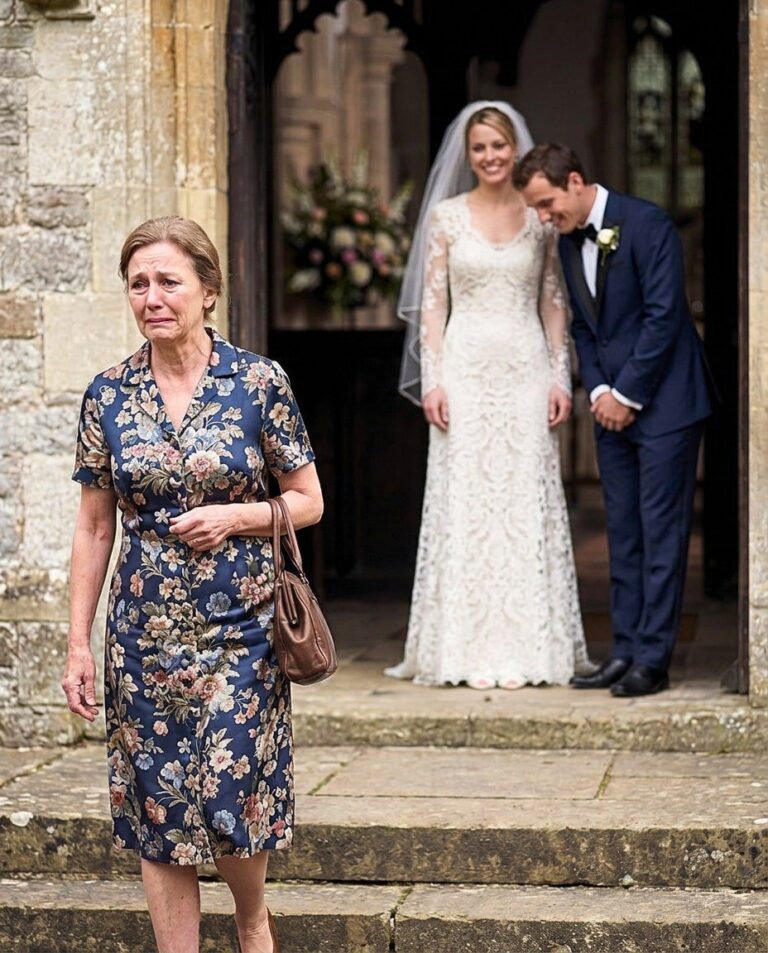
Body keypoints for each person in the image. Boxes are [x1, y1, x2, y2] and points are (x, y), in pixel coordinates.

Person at [61, 216, 323, 953]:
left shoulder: (260, 382)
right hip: (142, 636)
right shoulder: (108, 395)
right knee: (159, 807)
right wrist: (77, 641)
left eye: (168, 281)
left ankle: (250, 917)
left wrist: (238, 516)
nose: (152, 297)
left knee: (228, 790)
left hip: (244, 627)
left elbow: (308, 499)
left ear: (207, 291)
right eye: (138, 284)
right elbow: (93, 526)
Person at [386, 103, 592, 689]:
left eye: (499, 146)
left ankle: (534, 649)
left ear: (514, 148)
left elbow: (553, 299)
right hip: (466, 370)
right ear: (467, 154)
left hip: (526, 367)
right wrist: (434, 380)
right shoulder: (447, 217)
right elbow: (432, 305)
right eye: (479, 148)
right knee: (467, 501)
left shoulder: (537, 216)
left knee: (525, 497)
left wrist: (560, 375)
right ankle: (460, 650)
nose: (490, 157)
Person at [515, 144, 715, 697]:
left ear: (575, 180)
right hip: (610, 407)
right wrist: (599, 389)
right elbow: (585, 327)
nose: (544, 218)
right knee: (622, 533)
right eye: (536, 209)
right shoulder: (567, 239)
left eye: (548, 203)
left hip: (669, 404)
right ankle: (623, 651)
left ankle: (654, 658)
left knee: (661, 532)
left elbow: (664, 316)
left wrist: (626, 393)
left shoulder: (646, 223)